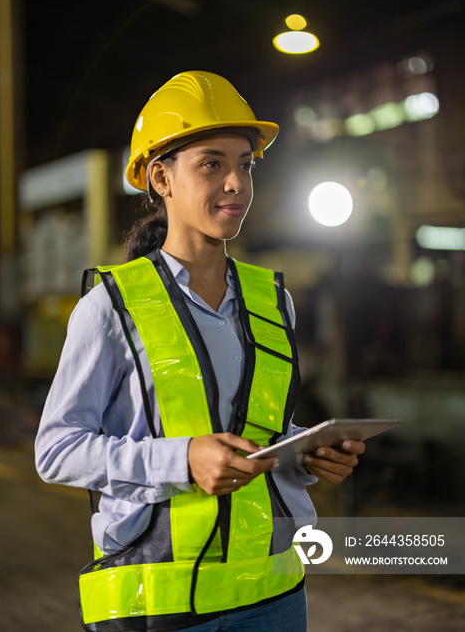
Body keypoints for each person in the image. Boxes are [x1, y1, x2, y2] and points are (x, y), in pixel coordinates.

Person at [35, 70, 365, 632]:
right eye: (212, 163)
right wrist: (181, 459)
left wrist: (305, 456)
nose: (236, 182)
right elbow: (56, 451)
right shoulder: (112, 306)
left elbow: (260, 432)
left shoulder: (272, 299)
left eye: (246, 164)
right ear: (161, 178)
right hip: (160, 601)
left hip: (274, 590)